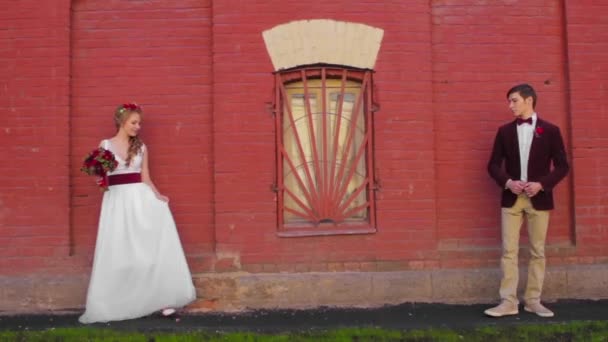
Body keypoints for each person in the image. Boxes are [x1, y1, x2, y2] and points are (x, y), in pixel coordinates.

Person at [79, 103, 196, 323]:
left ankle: (162, 300)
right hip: (117, 200)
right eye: (134, 122)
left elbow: (145, 177)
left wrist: (158, 196)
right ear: (122, 122)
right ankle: (119, 301)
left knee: (150, 249)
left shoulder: (141, 147)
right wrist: (99, 175)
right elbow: (101, 175)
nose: (138, 127)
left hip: (140, 199)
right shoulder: (105, 145)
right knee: (120, 250)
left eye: (139, 123)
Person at [485, 84, 569, 318]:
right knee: (508, 251)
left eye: (514, 100)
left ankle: (533, 301)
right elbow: (492, 165)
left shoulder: (550, 131)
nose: (510, 105)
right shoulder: (504, 132)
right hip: (512, 198)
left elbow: (563, 166)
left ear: (529, 100)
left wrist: (541, 184)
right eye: (509, 101)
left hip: (539, 198)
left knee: (537, 251)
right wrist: (508, 182)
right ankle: (508, 302)